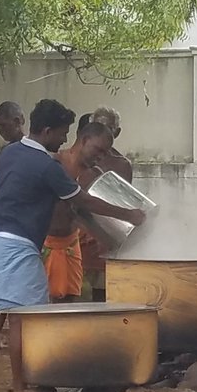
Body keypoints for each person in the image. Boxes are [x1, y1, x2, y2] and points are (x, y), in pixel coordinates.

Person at [0, 99, 145, 392]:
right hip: (18, 244)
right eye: (63, 133)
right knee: (22, 319)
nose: (65, 139)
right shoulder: (47, 165)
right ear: (48, 130)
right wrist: (129, 215)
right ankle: (20, 388)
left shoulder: (11, 151)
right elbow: (83, 202)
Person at [42, 122, 115, 301]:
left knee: (72, 303)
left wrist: (109, 241)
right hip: (45, 244)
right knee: (42, 303)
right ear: (84, 139)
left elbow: (91, 214)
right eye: (98, 150)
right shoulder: (53, 164)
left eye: (105, 153)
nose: (100, 157)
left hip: (71, 244)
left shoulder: (96, 175)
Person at [79, 106, 133, 299]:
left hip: (107, 237)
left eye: (108, 129)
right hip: (80, 236)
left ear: (116, 132)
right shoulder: (77, 159)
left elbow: (124, 203)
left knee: (104, 294)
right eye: (97, 127)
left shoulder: (122, 165)